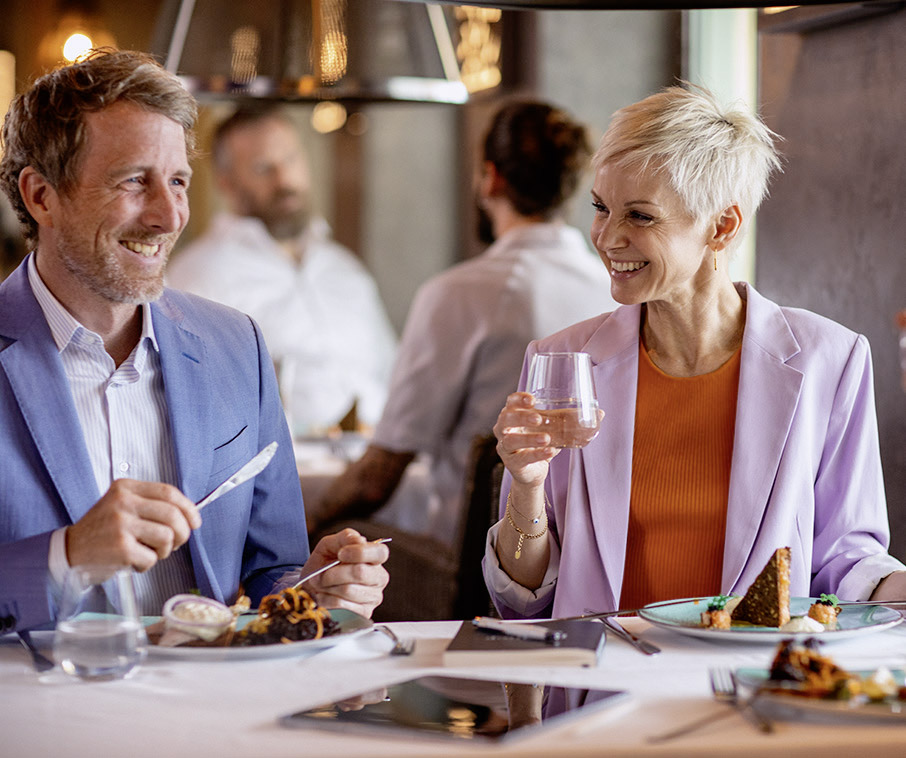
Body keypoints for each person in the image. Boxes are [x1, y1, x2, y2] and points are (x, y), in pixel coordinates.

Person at [0, 49, 388, 634]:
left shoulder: (237, 346)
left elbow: (272, 570)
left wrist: (313, 587)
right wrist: (68, 555)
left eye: (177, 180)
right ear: (41, 196)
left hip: (215, 709)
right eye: (133, 181)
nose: (169, 215)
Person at [486, 85, 906, 620]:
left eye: (639, 216)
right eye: (600, 208)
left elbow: (847, 560)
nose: (607, 237)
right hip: (604, 689)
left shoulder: (832, 358)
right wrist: (527, 487)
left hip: (750, 689)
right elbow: (520, 599)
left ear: (721, 226)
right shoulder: (562, 362)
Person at [311, 100, 619, 547]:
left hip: (479, 558)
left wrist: (305, 523)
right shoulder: (610, 288)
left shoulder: (460, 293)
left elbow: (376, 479)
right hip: (590, 545)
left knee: (338, 548)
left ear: (490, 179)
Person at [166, 105, 397, 436]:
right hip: (280, 473)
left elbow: (394, 373)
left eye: (290, 159)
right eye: (263, 168)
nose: (284, 179)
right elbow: (192, 402)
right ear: (227, 183)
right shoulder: (199, 274)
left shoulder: (345, 269)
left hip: (377, 462)